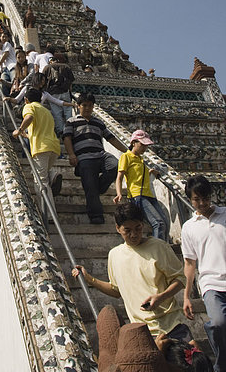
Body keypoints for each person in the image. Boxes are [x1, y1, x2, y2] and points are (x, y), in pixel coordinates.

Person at [72, 202, 193, 341]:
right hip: (141, 332)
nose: (134, 234)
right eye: (127, 230)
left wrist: (161, 297)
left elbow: (180, 279)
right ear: (118, 229)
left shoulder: (159, 247)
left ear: (143, 224)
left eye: (138, 228)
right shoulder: (115, 255)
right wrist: (89, 279)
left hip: (172, 326)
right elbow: (116, 291)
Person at [181, 175, 226, 372]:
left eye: (205, 197)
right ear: (190, 200)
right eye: (196, 199)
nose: (202, 203)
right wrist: (186, 295)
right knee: (217, 323)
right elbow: (190, 263)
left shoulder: (225, 215)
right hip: (211, 284)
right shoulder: (189, 227)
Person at [63, 93, 126, 224]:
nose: (87, 108)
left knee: (115, 165)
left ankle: (98, 187)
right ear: (78, 106)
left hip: (101, 155)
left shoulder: (98, 122)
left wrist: (128, 151)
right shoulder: (71, 122)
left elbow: (111, 138)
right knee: (90, 186)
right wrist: (71, 154)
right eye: (84, 105)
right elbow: (67, 138)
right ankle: (96, 215)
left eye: (90, 106)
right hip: (84, 158)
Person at [12, 88, 61, 215]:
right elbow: (41, 131)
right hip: (53, 147)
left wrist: (19, 129)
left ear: (26, 99)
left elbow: (29, 117)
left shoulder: (29, 106)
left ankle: (49, 214)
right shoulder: (46, 111)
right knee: (43, 175)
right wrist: (25, 135)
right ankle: (52, 173)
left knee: (40, 182)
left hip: (41, 148)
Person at [114, 129, 169, 241]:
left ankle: (163, 246)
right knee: (158, 223)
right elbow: (119, 177)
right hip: (137, 195)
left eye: (146, 145)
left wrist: (151, 172)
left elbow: (138, 174)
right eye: (142, 144)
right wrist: (119, 193)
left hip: (149, 194)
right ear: (134, 143)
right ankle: (157, 249)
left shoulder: (141, 159)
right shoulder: (126, 157)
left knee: (165, 221)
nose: (144, 148)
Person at [42, 56, 75, 136]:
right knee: (68, 111)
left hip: (53, 93)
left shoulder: (47, 67)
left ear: (50, 61)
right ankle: (69, 130)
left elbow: (43, 80)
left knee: (56, 113)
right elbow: (71, 81)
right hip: (65, 92)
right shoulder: (66, 66)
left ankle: (60, 130)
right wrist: (69, 91)